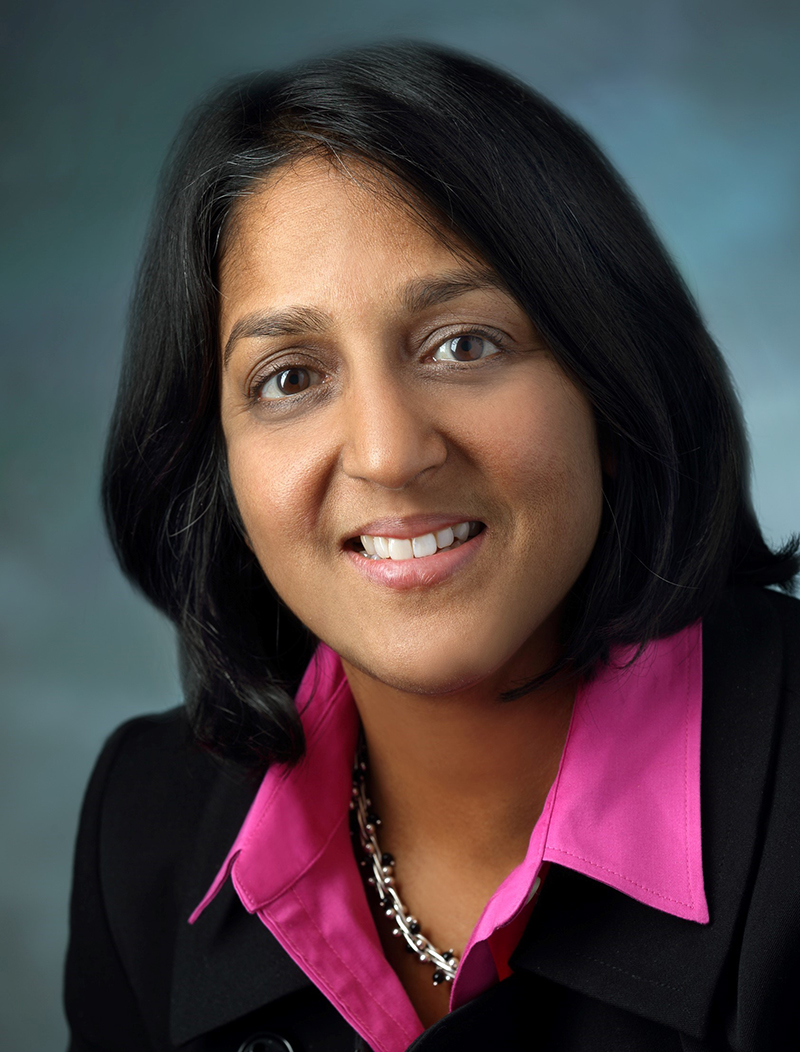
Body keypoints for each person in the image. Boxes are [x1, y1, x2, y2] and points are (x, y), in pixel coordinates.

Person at [64, 40, 800, 1052]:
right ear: (217, 467)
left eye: (463, 343)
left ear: (612, 385)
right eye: (287, 376)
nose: (387, 451)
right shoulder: (143, 827)